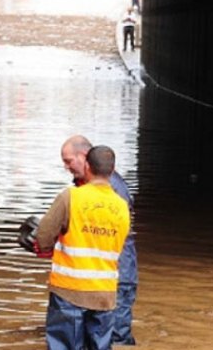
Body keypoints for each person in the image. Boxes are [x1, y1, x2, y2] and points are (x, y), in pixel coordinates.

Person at [36, 145, 131, 350]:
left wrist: (45, 250)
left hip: (69, 292)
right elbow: (119, 246)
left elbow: (43, 235)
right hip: (104, 294)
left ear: (87, 166)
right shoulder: (122, 206)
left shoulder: (71, 197)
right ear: (112, 171)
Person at [58, 135, 138, 346]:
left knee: (115, 338)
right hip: (98, 278)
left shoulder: (112, 192)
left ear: (84, 158)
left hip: (115, 277)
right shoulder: (85, 188)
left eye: (68, 161)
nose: (67, 167)